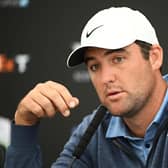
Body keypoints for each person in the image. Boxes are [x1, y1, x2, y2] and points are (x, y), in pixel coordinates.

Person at [4, 6, 168, 168]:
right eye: (95, 66)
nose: (105, 78)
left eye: (118, 59)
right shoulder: (93, 130)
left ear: (154, 57)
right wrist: (24, 125)